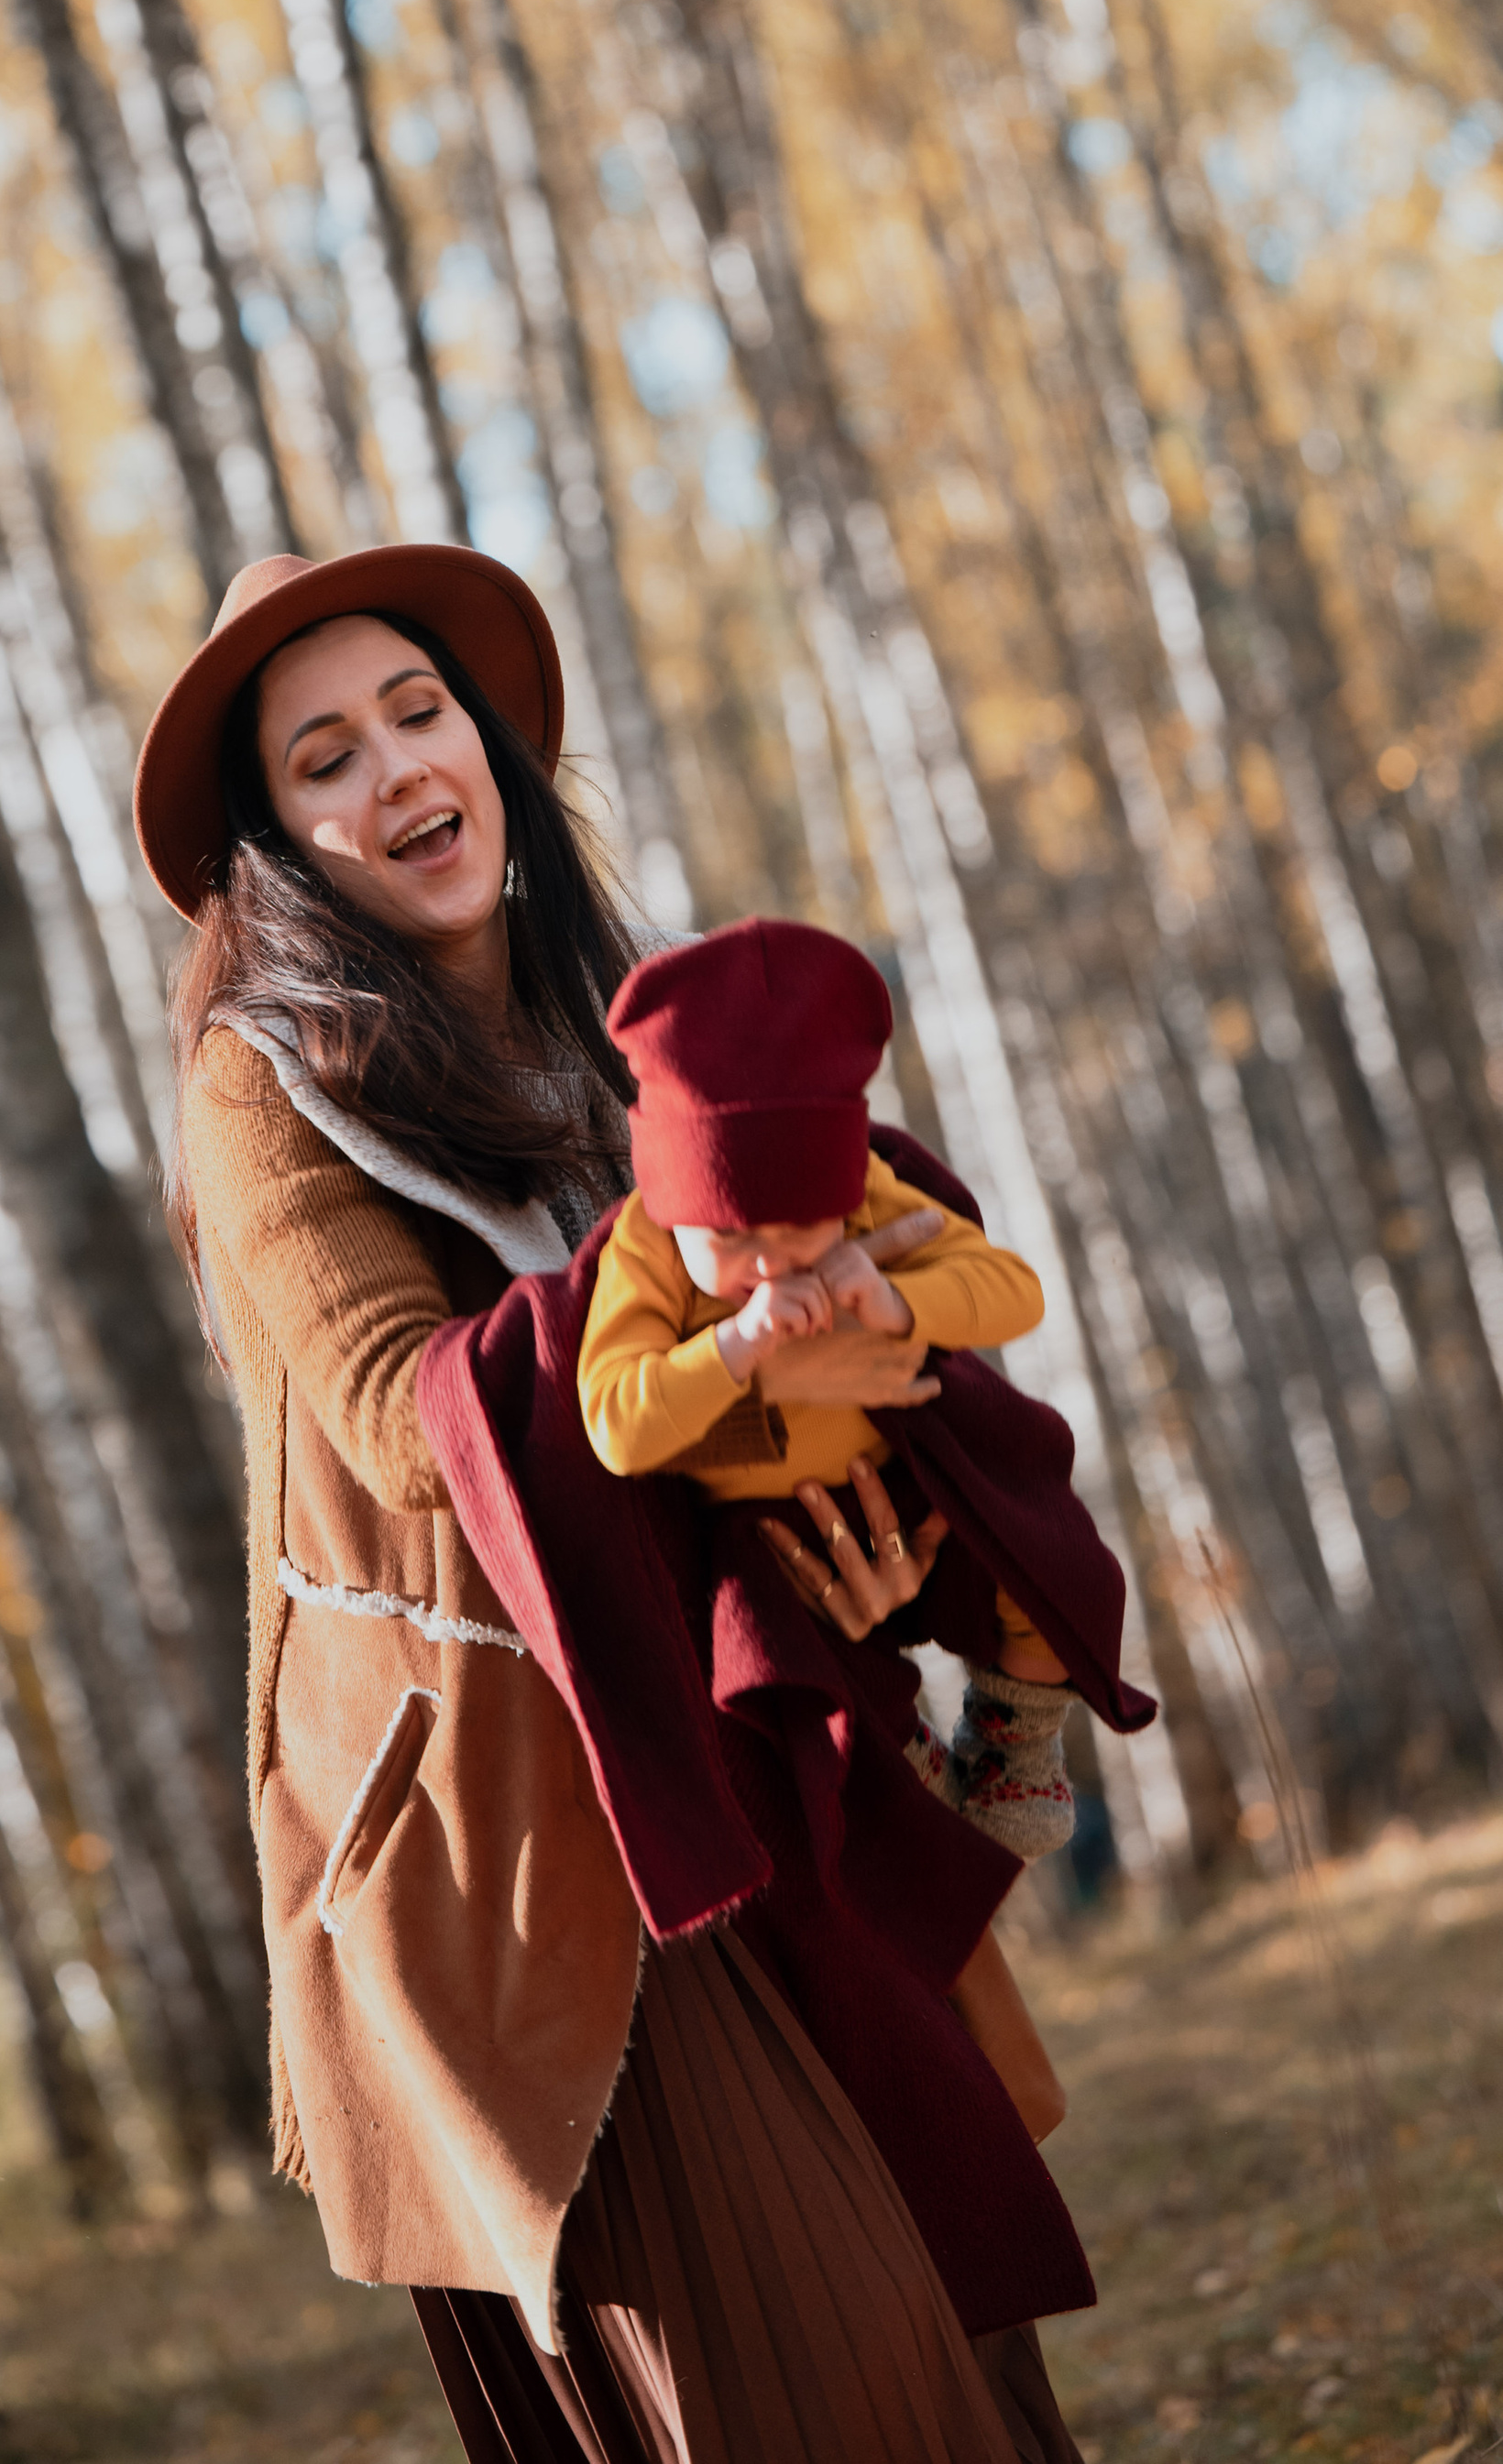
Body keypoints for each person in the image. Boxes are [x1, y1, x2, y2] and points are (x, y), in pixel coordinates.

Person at [137, 542, 1092, 2464]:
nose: (396, 770)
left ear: (489, 748)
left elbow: (754, 1420)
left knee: (955, 2341)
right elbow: (410, 1427)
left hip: (742, 1750)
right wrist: (710, 1301)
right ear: (277, 842)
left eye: (418, 713)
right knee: (815, 2376)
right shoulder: (265, 1087)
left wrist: (850, 1525)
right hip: (523, 1838)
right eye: (326, 757)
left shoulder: (622, 1047)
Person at [580, 917, 1081, 1859]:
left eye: (802, 1230)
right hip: (759, 1532)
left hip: (899, 1470)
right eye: (732, 1239)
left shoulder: (861, 1194)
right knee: (782, 1670)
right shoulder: (648, 1248)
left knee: (1047, 1548)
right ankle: (905, 1771)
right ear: (675, 1204)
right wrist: (737, 1346)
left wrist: (894, 1298)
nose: (771, 1262)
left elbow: (1014, 1291)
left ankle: (1016, 1738)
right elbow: (613, 1421)